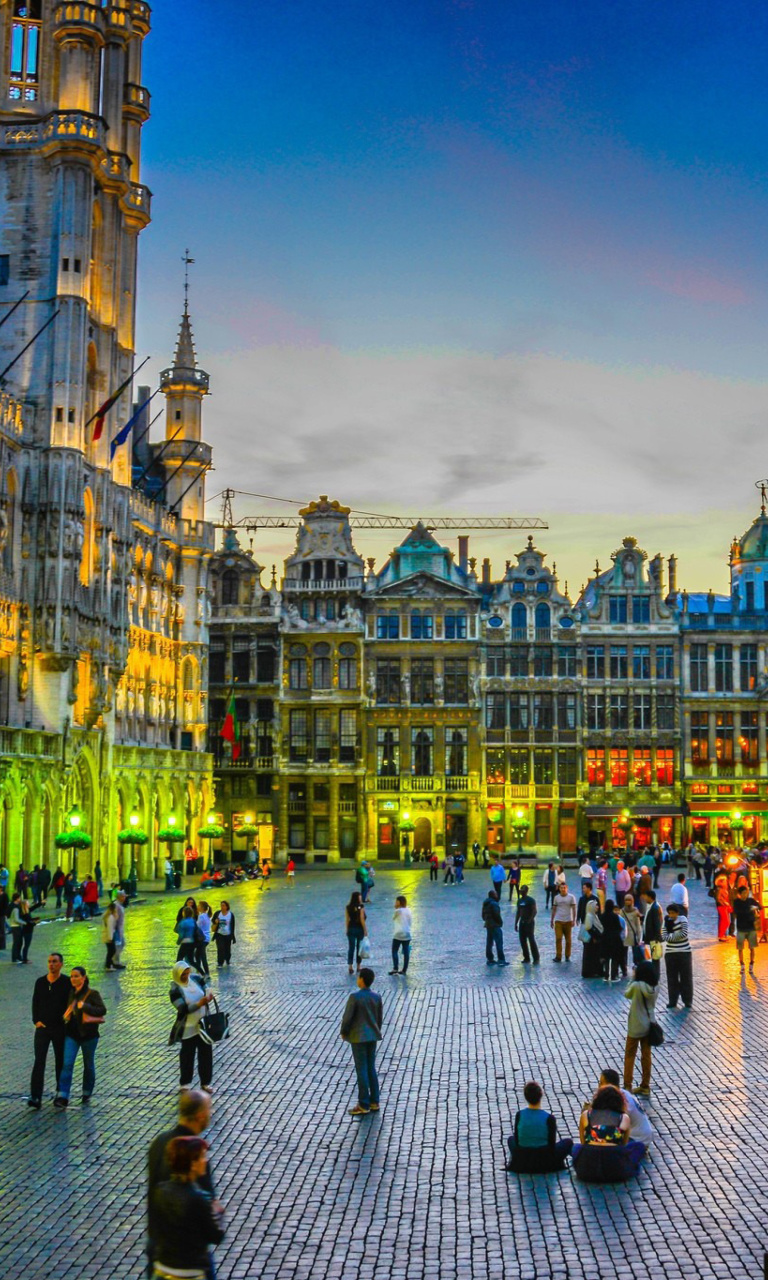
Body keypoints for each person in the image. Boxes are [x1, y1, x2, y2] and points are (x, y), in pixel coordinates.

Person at [147, 1090, 217, 1278]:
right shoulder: (195, 1155)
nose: (211, 1114)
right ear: (200, 1115)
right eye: (209, 1109)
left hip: (158, 1245)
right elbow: (209, 1215)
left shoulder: (159, 1142)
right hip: (188, 1257)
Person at [151, 1136, 225, 1279]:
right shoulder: (199, 1198)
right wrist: (218, 1214)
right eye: (202, 1157)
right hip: (190, 1272)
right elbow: (216, 1236)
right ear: (192, 1164)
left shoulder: (160, 1191)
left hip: (163, 1268)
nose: (206, 1161)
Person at [54, 966, 106, 1108]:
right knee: (67, 1063)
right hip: (72, 1034)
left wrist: (85, 1006)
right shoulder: (71, 993)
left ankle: (87, 1092)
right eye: (72, 976)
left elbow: (102, 1010)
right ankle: (63, 1095)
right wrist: (67, 1016)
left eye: (76, 976)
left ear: (83, 978)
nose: (73, 979)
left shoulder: (92, 993)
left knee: (88, 1065)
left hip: (89, 1035)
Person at [573, 1084, 645, 1182]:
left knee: (575, 1147)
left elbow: (583, 1143)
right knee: (639, 1146)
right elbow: (623, 1145)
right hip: (615, 1168)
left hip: (587, 1168)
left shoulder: (586, 1115)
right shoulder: (623, 1118)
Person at [28, 953, 71, 1109]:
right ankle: (35, 1096)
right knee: (39, 1061)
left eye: (54, 962)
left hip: (60, 1029)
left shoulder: (66, 982)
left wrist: (67, 1020)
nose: (51, 964)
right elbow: (35, 1001)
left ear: (61, 964)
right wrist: (36, 1020)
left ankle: (61, 1095)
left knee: (60, 1061)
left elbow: (72, 1002)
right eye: (49, 962)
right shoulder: (40, 982)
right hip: (43, 1028)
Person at [340, 967, 383, 1116]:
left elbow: (347, 1018)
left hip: (358, 1038)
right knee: (371, 1067)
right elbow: (379, 1019)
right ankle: (374, 1101)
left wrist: (344, 1032)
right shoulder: (377, 997)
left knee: (361, 1069)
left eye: (359, 977)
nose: (357, 979)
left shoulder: (355, 997)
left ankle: (363, 1103)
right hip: (372, 1036)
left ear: (362, 980)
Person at [506, 1081, 573, 1173]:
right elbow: (551, 1144)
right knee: (568, 1142)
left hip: (523, 1155)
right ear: (541, 1096)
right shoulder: (549, 1118)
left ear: (526, 1097)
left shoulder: (519, 1115)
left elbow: (517, 1141)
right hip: (544, 1157)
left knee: (511, 1139)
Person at [169, 962, 215, 1093]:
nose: (185, 976)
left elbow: (206, 985)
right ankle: (185, 1083)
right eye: (183, 974)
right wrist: (200, 1003)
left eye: (187, 973)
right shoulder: (175, 990)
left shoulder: (195, 979)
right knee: (187, 1055)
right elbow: (182, 1008)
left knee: (206, 1054)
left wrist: (209, 994)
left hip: (203, 1024)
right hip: (188, 1026)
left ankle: (206, 1082)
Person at [623, 960, 659, 1098]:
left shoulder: (637, 986)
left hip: (635, 1024)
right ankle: (645, 1085)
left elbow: (627, 994)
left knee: (630, 1054)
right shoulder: (655, 987)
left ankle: (627, 1085)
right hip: (649, 1023)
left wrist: (632, 978)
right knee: (646, 1055)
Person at [598, 1068, 653, 1148]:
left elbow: (615, 1126)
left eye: (602, 1083)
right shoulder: (621, 1094)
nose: (599, 1086)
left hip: (638, 1139)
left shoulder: (622, 1101)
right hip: (637, 1135)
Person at [663, 902, 693, 1009]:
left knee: (686, 977)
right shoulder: (666, 921)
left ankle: (687, 1000)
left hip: (684, 952)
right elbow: (664, 936)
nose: (671, 915)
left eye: (673, 913)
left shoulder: (683, 919)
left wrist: (671, 936)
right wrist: (676, 936)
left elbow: (684, 934)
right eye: (669, 913)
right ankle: (672, 1001)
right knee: (672, 978)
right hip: (670, 954)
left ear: (677, 913)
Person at [732, 884, 760, 970]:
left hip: (751, 927)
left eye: (746, 892)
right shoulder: (737, 902)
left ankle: (751, 964)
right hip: (741, 928)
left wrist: (756, 907)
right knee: (740, 948)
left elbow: (760, 906)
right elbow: (738, 912)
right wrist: (749, 910)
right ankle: (742, 965)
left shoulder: (751, 900)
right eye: (744, 893)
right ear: (740, 894)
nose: (745, 894)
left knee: (752, 947)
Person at [640, 888, 664, 980]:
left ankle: (655, 976)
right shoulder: (651, 906)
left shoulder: (655, 908)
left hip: (654, 939)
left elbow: (657, 924)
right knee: (654, 958)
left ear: (650, 897)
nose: (644, 898)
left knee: (655, 958)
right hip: (652, 938)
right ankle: (654, 975)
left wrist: (657, 938)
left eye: (646, 896)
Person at [550, 881, 577, 962]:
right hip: (558, 920)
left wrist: (574, 919)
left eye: (564, 888)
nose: (563, 889)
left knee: (568, 940)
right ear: (559, 889)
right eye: (561, 888)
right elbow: (554, 909)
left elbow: (574, 908)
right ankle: (558, 956)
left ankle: (567, 955)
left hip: (568, 920)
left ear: (567, 888)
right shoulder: (556, 898)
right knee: (558, 938)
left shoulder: (571, 897)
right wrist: (552, 920)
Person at [482, 888, 508, 965]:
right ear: (493, 895)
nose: (497, 895)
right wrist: (500, 922)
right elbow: (496, 915)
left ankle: (490, 959)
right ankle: (501, 960)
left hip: (488, 925)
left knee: (489, 942)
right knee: (499, 942)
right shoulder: (494, 904)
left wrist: (486, 920)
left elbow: (483, 915)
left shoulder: (485, 903)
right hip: (495, 925)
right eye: (496, 894)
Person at [10, 893, 38, 964]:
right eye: (28, 903)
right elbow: (19, 920)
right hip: (20, 928)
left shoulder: (25, 910)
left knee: (20, 943)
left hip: (23, 929)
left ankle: (20, 957)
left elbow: (32, 910)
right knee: (19, 943)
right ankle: (19, 958)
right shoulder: (18, 909)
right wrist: (33, 923)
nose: (29, 904)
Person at [514, 884, 539, 964]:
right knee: (522, 940)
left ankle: (536, 958)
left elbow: (534, 911)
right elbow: (518, 912)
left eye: (523, 890)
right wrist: (516, 922)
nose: (521, 892)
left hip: (529, 923)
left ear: (526, 891)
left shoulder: (530, 900)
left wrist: (530, 920)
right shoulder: (519, 901)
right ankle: (526, 957)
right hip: (522, 922)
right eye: (521, 890)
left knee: (531, 940)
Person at [580, 898, 604, 978]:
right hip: (591, 940)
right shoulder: (590, 916)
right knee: (590, 956)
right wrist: (595, 936)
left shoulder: (593, 915)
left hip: (594, 940)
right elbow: (589, 927)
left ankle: (595, 971)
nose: (597, 907)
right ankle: (590, 972)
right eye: (596, 905)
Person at [345, 891, 367, 974]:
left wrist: (347, 929)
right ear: (358, 898)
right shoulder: (361, 906)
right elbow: (362, 919)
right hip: (359, 929)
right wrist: (365, 929)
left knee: (351, 948)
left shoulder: (348, 907)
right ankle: (358, 966)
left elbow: (347, 919)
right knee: (359, 948)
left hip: (351, 928)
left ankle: (350, 966)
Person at [389, 895, 412, 975]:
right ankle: (404, 969)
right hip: (407, 933)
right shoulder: (408, 910)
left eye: (396, 901)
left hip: (398, 933)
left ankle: (395, 967)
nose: (395, 903)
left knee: (394, 950)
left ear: (399, 902)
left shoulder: (398, 911)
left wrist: (396, 907)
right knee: (406, 952)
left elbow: (393, 918)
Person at [621, 894, 644, 968]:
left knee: (635, 951)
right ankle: (624, 965)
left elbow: (637, 924)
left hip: (633, 934)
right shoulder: (622, 911)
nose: (627, 902)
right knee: (624, 952)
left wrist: (639, 935)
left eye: (629, 900)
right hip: (625, 934)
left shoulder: (635, 911)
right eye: (626, 900)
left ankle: (635, 964)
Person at [212, 901, 236, 967]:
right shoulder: (217, 913)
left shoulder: (231, 915)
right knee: (220, 948)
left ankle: (228, 960)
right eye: (221, 905)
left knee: (227, 949)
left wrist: (232, 936)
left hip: (228, 934)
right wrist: (216, 922)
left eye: (223, 905)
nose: (222, 907)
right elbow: (213, 920)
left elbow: (232, 925)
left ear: (227, 906)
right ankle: (220, 962)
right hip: (219, 934)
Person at [713, 867, 732, 942]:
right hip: (722, 906)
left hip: (725, 906)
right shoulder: (719, 889)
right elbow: (718, 898)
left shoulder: (725, 889)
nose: (726, 882)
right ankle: (721, 935)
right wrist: (724, 903)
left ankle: (723, 934)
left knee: (725, 921)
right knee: (726, 921)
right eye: (725, 881)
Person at [195, 901, 212, 975]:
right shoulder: (207, 916)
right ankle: (199, 971)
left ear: (202, 907)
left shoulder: (201, 916)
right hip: (207, 938)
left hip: (202, 939)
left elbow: (197, 927)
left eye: (199, 905)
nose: (197, 906)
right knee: (197, 954)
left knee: (202, 956)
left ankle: (206, 973)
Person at [112, 888, 127, 968]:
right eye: (123, 896)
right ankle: (115, 962)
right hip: (117, 930)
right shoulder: (116, 905)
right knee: (118, 946)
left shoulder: (119, 905)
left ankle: (114, 960)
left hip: (119, 929)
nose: (124, 898)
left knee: (121, 944)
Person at [102, 902, 119, 970]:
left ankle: (109, 964)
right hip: (109, 936)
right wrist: (110, 938)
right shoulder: (110, 917)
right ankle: (108, 965)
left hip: (107, 935)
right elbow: (110, 928)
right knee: (112, 951)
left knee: (110, 950)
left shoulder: (107, 916)